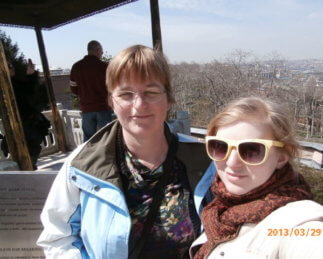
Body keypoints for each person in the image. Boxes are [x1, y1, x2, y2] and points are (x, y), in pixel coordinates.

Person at [37, 45, 216, 258]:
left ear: (168, 100)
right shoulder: (82, 165)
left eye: (150, 92)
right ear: (111, 101)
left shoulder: (205, 160)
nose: (139, 105)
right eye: (125, 94)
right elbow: (58, 237)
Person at [190, 97, 323, 259]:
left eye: (251, 150)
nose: (231, 162)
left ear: (282, 157)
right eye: (220, 146)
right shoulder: (217, 208)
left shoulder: (295, 222)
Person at [2, 59, 50, 169]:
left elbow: (29, 89)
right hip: (19, 122)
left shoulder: (15, 82)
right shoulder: (6, 86)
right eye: (9, 67)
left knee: (33, 143)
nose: (12, 68)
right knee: (14, 145)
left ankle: (29, 164)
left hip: (28, 119)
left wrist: (31, 74)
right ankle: (26, 166)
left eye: (12, 66)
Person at [70, 40, 113, 141]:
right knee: (106, 137)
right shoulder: (105, 67)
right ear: (97, 50)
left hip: (86, 108)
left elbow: (73, 88)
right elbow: (112, 87)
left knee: (88, 139)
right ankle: (105, 156)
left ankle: (90, 156)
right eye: (101, 51)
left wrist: (84, 95)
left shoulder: (76, 67)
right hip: (103, 107)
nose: (102, 53)